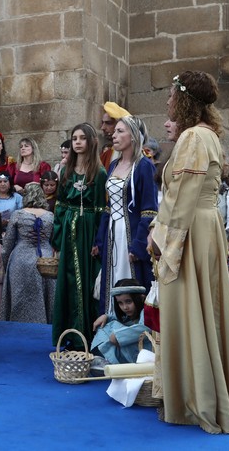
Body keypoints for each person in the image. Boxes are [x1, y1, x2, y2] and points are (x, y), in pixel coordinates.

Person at [147, 70, 229, 434]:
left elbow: (180, 195)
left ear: (184, 100)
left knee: (189, 310)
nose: (168, 101)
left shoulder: (193, 137)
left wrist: (160, 237)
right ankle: (205, 392)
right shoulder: (209, 135)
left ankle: (196, 400)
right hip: (204, 228)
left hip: (190, 231)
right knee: (205, 312)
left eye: (172, 95)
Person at [93, 116, 158, 314]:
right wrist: (100, 240)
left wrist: (138, 245)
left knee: (132, 280)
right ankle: (111, 322)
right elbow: (109, 207)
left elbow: (149, 210)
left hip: (131, 236)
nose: (114, 135)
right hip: (112, 234)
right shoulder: (113, 165)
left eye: (120, 131)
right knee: (111, 278)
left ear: (134, 136)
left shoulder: (144, 166)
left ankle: (135, 328)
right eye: (115, 131)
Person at [51, 122, 107, 349]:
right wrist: (57, 238)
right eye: (74, 138)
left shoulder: (99, 173)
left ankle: (86, 336)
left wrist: (98, 241)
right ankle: (69, 335)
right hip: (69, 232)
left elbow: (102, 210)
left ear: (91, 141)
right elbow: (60, 205)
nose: (77, 142)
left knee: (86, 282)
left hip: (88, 232)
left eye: (82, 138)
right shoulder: (66, 171)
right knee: (68, 282)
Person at [1, 183, 56, 324]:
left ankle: (17, 327)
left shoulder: (18, 215)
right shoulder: (50, 216)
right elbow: (54, 240)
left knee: (19, 296)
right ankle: (44, 326)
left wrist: (6, 264)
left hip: (20, 259)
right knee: (44, 296)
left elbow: (7, 243)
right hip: (45, 260)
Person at [91, 279, 150, 365]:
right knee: (105, 325)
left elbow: (146, 327)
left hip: (145, 353)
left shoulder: (147, 311)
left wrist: (118, 336)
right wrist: (106, 316)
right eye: (120, 303)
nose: (125, 307)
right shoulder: (127, 314)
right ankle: (105, 358)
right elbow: (116, 317)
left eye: (128, 301)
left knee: (113, 326)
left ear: (140, 298)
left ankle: (111, 362)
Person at [100, 102, 130, 170]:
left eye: (108, 123)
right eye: (102, 123)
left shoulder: (142, 158)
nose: (102, 128)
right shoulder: (105, 156)